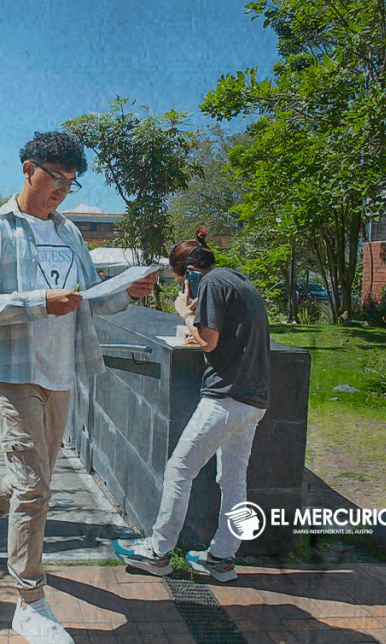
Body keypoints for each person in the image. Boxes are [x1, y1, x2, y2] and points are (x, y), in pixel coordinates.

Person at [0, 131, 159, 644]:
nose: (62, 190)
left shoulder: (69, 233)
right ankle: (29, 601)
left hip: (61, 372)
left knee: (32, 480)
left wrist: (127, 294)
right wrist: (36, 301)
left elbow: (87, 300)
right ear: (28, 170)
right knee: (34, 487)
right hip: (12, 372)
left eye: (71, 182)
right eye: (55, 178)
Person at [113, 228, 271, 582]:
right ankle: (222, 558)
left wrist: (184, 313)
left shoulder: (211, 284)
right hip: (254, 399)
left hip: (226, 397)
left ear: (189, 276)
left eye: (181, 283)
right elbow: (228, 336)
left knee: (179, 469)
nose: (184, 291)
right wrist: (197, 326)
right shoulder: (237, 281)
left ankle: (158, 551)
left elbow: (210, 342)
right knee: (233, 480)